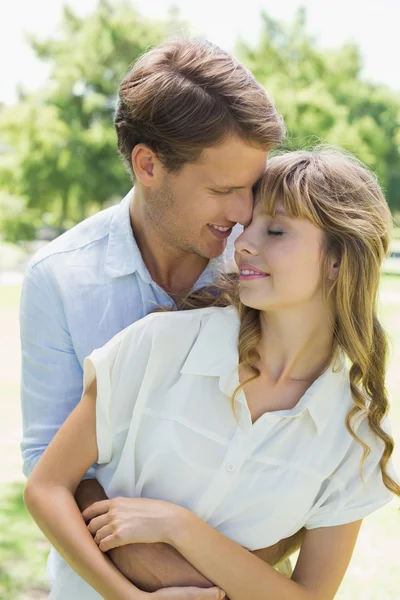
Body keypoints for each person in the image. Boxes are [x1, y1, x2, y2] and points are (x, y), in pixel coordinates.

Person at [24, 147, 399, 600]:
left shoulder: (355, 431)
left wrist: (178, 527)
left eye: (276, 230)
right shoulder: (158, 345)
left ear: (338, 261)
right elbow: (46, 488)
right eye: (248, 226)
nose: (243, 243)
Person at [20, 37, 298, 597]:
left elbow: (309, 452)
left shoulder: (265, 265)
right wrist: (137, 592)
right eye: (222, 190)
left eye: (252, 188)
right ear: (148, 164)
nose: (244, 213)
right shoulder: (59, 277)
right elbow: (50, 465)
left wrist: (216, 580)